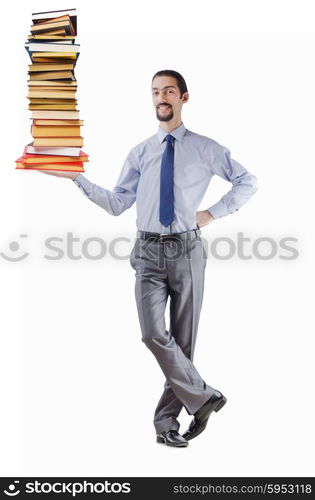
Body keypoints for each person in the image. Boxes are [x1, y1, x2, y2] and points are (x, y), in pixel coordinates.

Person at [40, 70, 258, 448]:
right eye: (156, 92)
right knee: (153, 334)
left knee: (184, 342)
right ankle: (203, 396)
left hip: (188, 249)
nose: (161, 97)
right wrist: (76, 177)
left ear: (183, 98)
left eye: (169, 91)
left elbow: (248, 181)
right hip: (148, 251)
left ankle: (166, 424)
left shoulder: (206, 148)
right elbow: (117, 204)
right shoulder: (140, 152)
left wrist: (213, 213)